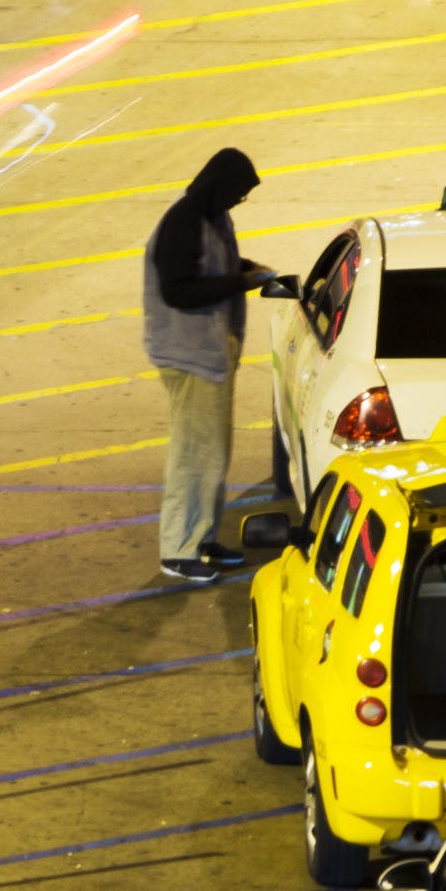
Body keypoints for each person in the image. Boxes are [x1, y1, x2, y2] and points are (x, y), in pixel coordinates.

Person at [141, 147, 277, 584]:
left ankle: (201, 539)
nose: (239, 202)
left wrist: (246, 269)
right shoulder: (182, 223)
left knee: (212, 454)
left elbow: (208, 267)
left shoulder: (211, 217)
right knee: (194, 455)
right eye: (237, 193)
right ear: (219, 185)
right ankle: (178, 550)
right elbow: (179, 291)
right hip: (190, 357)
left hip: (210, 354)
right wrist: (238, 282)